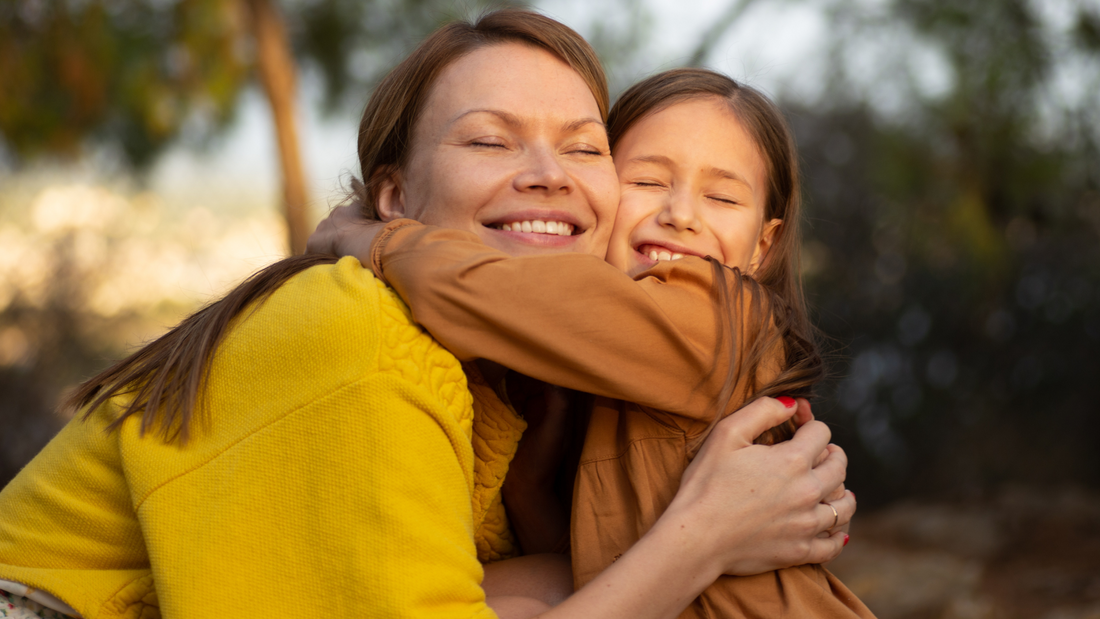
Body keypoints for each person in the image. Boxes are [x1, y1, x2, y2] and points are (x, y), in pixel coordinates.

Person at [0, 9, 853, 619]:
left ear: (766, 240)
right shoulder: (356, 337)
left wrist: (757, 513)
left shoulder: (529, 386)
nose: (549, 174)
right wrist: (706, 532)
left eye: (585, 148)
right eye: (489, 139)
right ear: (395, 196)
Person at [309, 67, 873, 617]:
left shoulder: (721, 314)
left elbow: (498, 294)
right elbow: (606, 564)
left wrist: (373, 238)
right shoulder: (598, 358)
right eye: (647, 182)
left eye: (722, 199)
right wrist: (531, 493)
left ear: (763, 246)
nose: (681, 215)